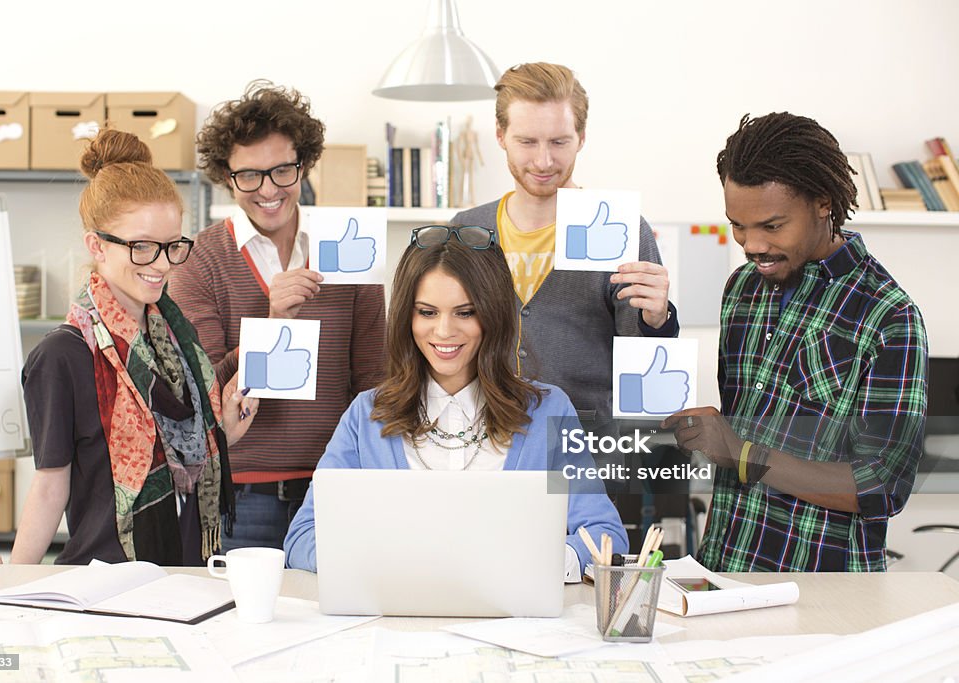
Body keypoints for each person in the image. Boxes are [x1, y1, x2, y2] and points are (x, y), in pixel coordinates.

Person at [0, 129, 258, 569]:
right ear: (97, 246)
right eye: (142, 247)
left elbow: (186, 461)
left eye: (171, 246)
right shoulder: (61, 357)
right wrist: (11, 580)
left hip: (187, 576)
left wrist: (224, 431)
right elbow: (51, 487)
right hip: (103, 583)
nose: (162, 264)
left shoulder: (176, 343)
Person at [662, 112, 928, 572]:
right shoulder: (742, 289)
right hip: (724, 569)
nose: (751, 245)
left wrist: (742, 454)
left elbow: (882, 485)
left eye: (771, 225)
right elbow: (747, 428)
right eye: (738, 226)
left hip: (823, 595)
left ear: (823, 203)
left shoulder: (889, 317)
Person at [284, 226, 627, 576]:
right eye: (427, 312)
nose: (444, 331)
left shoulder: (548, 412)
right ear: (407, 316)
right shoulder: (367, 415)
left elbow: (604, 537)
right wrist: (377, 562)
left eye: (465, 312)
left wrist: (537, 564)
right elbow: (302, 538)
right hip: (397, 623)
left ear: (493, 315)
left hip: (511, 625)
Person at [168, 81, 386, 552]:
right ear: (227, 177)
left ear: (302, 166)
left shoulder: (348, 246)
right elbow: (201, 388)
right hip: (244, 492)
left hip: (336, 480)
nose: (267, 190)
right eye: (249, 175)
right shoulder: (199, 259)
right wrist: (273, 323)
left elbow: (373, 377)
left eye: (282, 171)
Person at [451, 62, 678, 434]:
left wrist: (657, 320)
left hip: (586, 447)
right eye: (527, 142)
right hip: (483, 439)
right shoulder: (467, 230)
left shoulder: (625, 230)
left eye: (559, 142)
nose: (543, 161)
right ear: (500, 135)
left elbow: (646, 365)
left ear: (582, 137)